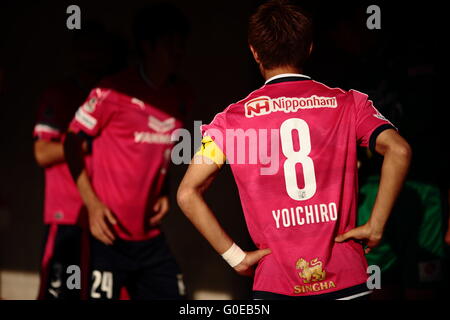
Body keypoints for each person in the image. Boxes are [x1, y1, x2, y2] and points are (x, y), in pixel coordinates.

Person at [177, 0, 411, 300]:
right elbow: (399, 150)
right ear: (310, 48)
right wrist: (376, 225)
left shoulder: (231, 121)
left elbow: (187, 193)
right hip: (346, 277)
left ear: (254, 52)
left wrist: (236, 257)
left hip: (276, 282)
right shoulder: (349, 103)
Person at [64, 3, 191, 300]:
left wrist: (165, 190)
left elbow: (165, 150)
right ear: (147, 46)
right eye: (170, 44)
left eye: (181, 44)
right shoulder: (113, 90)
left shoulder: (181, 94)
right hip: (108, 234)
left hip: (150, 238)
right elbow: (70, 141)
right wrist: (92, 205)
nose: (178, 51)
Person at [34, 22, 123, 300]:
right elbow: (42, 153)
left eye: (100, 50)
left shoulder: (115, 95)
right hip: (68, 215)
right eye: (87, 49)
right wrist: (88, 143)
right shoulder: (60, 94)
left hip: (106, 216)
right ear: (75, 53)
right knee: (59, 294)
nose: (93, 56)